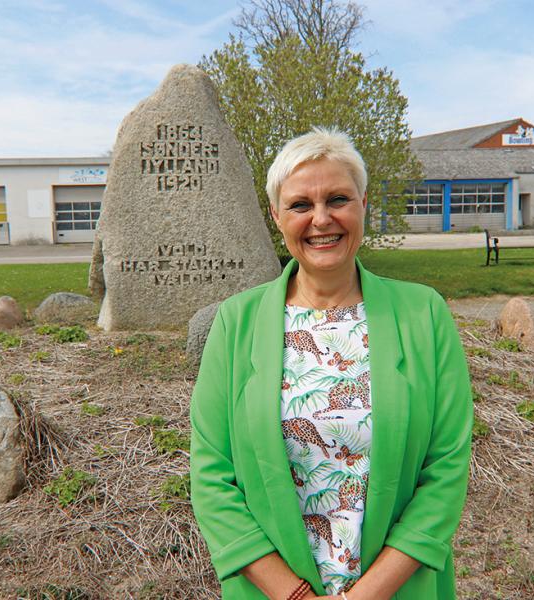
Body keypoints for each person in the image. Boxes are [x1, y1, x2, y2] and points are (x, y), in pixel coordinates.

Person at [190, 128, 473, 599]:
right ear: (278, 216)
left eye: (338, 199)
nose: (321, 219)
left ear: (363, 204)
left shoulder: (423, 313)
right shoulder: (234, 324)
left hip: (398, 589)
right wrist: (292, 594)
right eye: (301, 205)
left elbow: (446, 468)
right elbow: (211, 476)